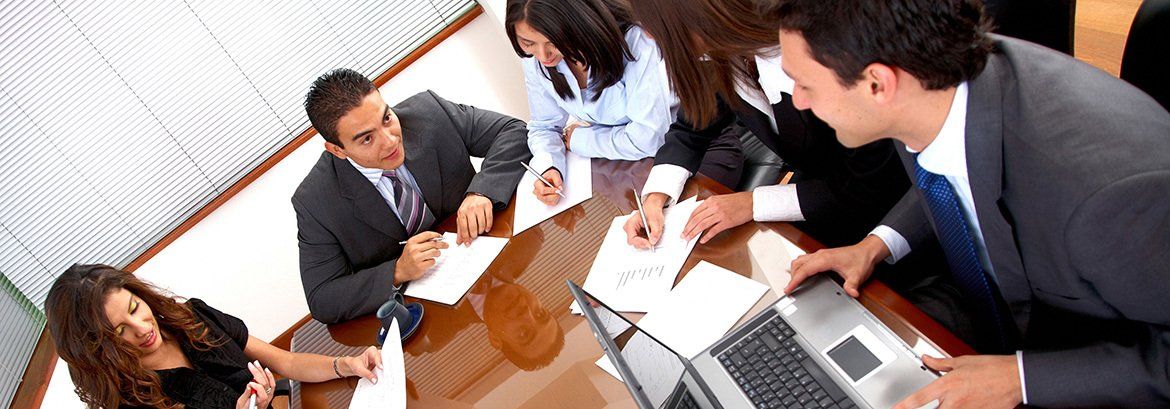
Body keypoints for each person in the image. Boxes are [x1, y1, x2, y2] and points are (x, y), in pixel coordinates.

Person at [767, 0, 1170, 407]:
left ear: (877, 84)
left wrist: (1020, 380)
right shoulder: (927, 90)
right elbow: (946, 175)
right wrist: (874, 246)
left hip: (1087, 361)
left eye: (805, 85)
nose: (797, 101)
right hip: (998, 304)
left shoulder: (1105, 196)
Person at [621, 0, 910, 250]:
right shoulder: (723, 56)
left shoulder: (813, 50)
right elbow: (692, 127)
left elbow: (873, 181)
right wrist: (656, 196)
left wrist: (755, 203)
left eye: (652, 25)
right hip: (819, 195)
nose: (648, 36)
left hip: (889, 213)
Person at [294, 69, 531, 323]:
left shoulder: (429, 112)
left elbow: (514, 131)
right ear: (337, 150)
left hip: (493, 264)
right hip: (430, 316)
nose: (390, 141)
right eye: (367, 139)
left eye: (386, 118)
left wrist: (482, 191)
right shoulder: (315, 201)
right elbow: (322, 298)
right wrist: (397, 271)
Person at [505, 0, 743, 206]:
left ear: (576, 22)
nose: (543, 55)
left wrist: (580, 139)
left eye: (553, 42)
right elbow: (544, 126)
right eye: (528, 43)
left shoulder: (637, 40)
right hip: (621, 163)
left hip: (691, 148)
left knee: (673, 228)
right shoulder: (537, 61)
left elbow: (650, 139)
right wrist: (549, 165)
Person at [45, 264, 383, 409]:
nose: (142, 328)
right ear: (99, 350)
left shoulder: (191, 316)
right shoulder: (129, 401)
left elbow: (286, 361)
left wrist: (346, 364)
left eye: (135, 308)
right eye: (120, 331)